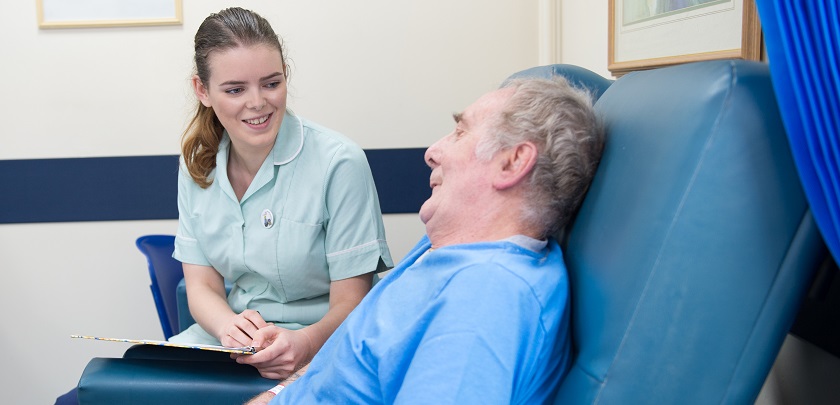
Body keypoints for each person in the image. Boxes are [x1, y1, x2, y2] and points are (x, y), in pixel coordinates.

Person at [55, 7, 391, 404]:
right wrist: (228, 327)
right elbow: (201, 287)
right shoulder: (197, 163)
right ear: (202, 90)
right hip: (232, 344)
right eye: (235, 90)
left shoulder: (339, 163)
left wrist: (304, 343)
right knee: (94, 396)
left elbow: (354, 303)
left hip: (325, 340)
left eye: (271, 83)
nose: (258, 103)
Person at [243, 75, 605, 404]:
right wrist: (278, 394)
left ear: (512, 163)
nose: (432, 152)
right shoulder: (449, 247)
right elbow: (352, 360)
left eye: (460, 132)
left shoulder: (486, 295)